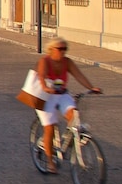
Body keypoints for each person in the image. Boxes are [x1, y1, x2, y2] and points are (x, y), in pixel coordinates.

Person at [35, 37, 102, 174]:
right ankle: (50, 163)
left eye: (65, 49)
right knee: (50, 129)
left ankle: (70, 140)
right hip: (46, 97)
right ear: (52, 50)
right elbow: (41, 76)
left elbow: (79, 76)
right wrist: (45, 87)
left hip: (62, 94)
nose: (63, 52)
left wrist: (91, 87)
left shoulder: (67, 62)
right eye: (60, 49)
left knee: (74, 116)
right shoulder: (45, 61)